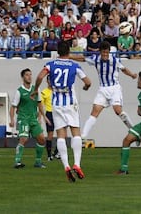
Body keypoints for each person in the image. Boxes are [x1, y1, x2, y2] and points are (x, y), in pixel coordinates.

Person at [32, 41, 91, 182]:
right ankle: (77, 164)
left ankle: (66, 166)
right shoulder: (74, 65)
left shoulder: (51, 64)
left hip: (56, 103)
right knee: (75, 132)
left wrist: (35, 89)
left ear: (58, 51)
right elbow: (88, 81)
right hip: (70, 102)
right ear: (68, 51)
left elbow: (40, 76)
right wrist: (86, 88)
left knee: (61, 135)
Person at [77, 41, 137, 142]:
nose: (105, 55)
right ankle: (83, 136)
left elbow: (124, 69)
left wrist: (132, 75)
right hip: (102, 89)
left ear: (109, 52)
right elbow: (83, 59)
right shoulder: (95, 59)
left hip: (114, 88)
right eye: (103, 52)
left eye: (107, 52)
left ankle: (134, 130)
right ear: (100, 52)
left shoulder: (114, 60)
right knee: (94, 112)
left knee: (118, 111)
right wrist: (68, 57)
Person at [10, 68, 48, 169]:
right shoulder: (19, 91)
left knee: (42, 140)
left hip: (33, 119)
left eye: (31, 75)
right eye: (27, 75)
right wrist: (12, 119)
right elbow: (13, 107)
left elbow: (40, 103)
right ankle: (17, 161)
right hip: (23, 118)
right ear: (22, 77)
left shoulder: (36, 89)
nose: (30, 77)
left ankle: (38, 162)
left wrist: (42, 117)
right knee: (24, 139)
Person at [41, 76, 59, 161]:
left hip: (58, 113)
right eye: (49, 80)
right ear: (47, 81)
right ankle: (49, 155)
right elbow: (40, 105)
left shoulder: (57, 91)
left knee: (62, 134)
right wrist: (43, 117)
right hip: (50, 114)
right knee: (50, 135)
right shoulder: (44, 92)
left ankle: (56, 153)